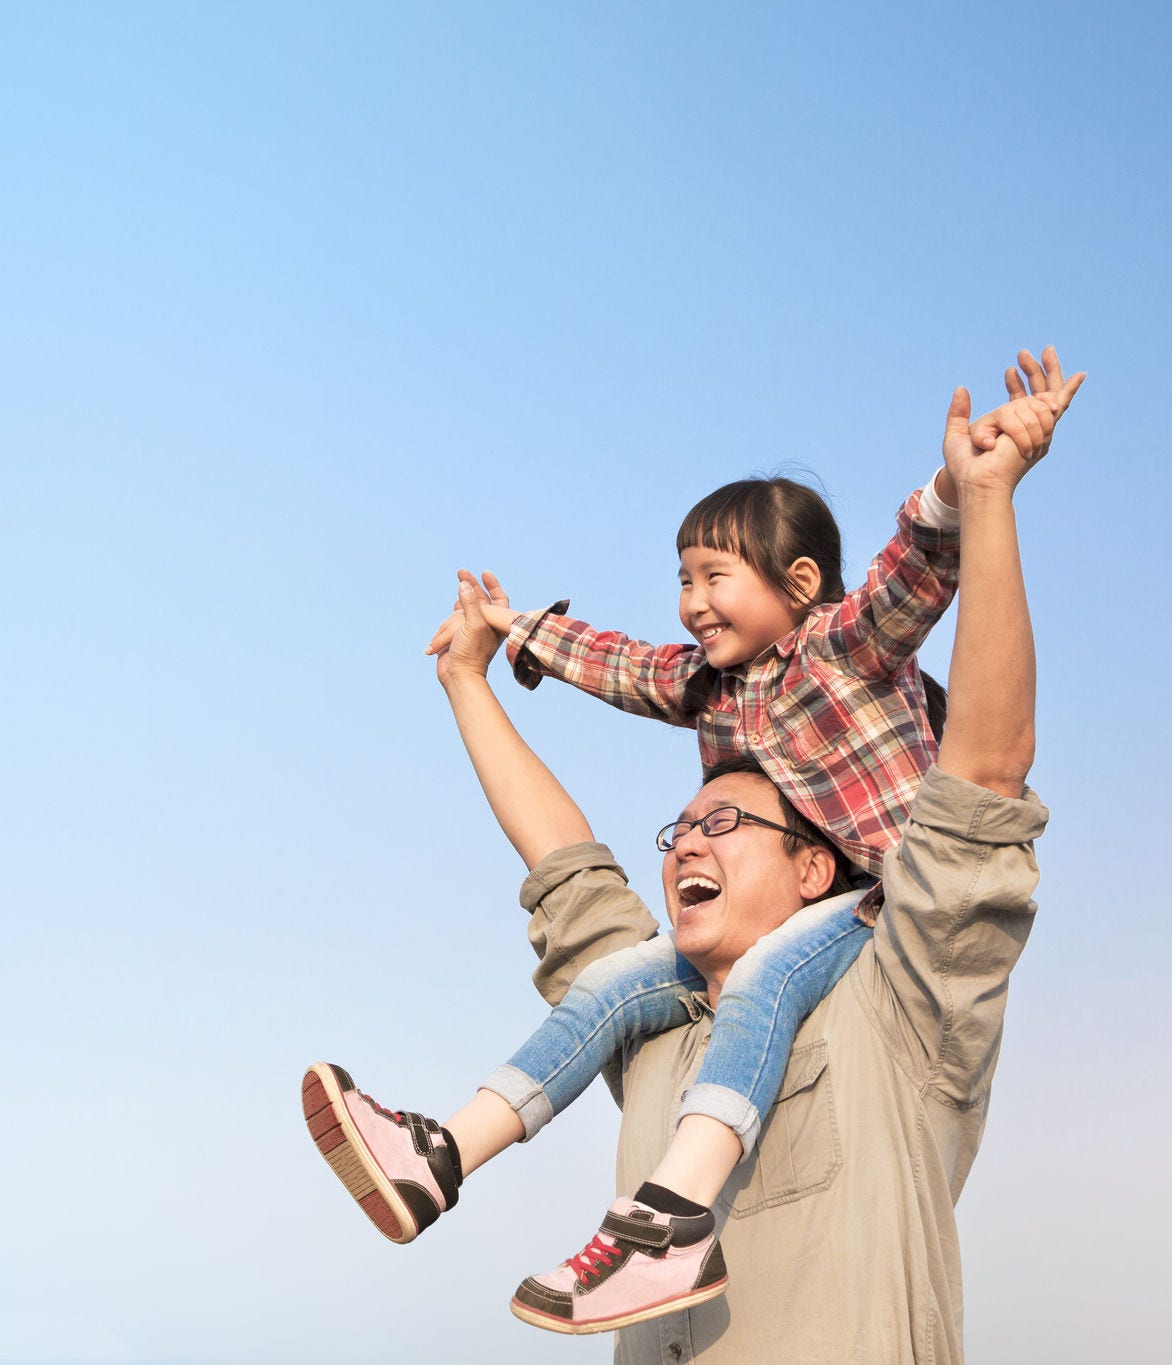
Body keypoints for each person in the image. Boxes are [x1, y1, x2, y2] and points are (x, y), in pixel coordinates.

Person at [305, 354, 1071, 1359]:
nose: (688, 845)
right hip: (716, 983)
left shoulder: (901, 1001)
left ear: (810, 863)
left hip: (865, 929)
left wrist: (973, 494)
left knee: (762, 981)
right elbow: (577, 842)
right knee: (618, 976)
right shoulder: (659, 1021)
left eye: (728, 825)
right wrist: (475, 670)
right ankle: (437, 1152)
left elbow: (975, 763)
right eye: (681, 827)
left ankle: (668, 1222)